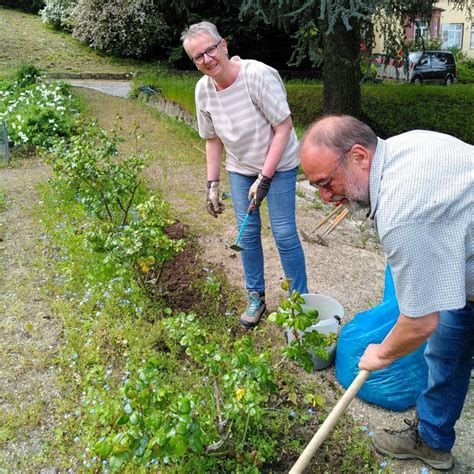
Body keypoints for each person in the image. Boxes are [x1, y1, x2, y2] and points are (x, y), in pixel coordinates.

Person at [300, 115, 473, 471]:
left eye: (327, 183)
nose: (325, 197)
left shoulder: (401, 212)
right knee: (447, 349)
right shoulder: (404, 145)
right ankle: (433, 442)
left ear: (359, 156)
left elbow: (421, 321)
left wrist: (381, 354)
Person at [180, 21, 308, 327]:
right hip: (240, 167)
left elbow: (284, 127)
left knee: (284, 233)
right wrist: (212, 185)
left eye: (210, 50)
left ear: (223, 45)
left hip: (279, 163)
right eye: (198, 57)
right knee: (247, 234)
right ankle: (256, 297)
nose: (207, 59)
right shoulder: (203, 91)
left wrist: (264, 178)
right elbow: (212, 139)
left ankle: (298, 304)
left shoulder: (256, 76)